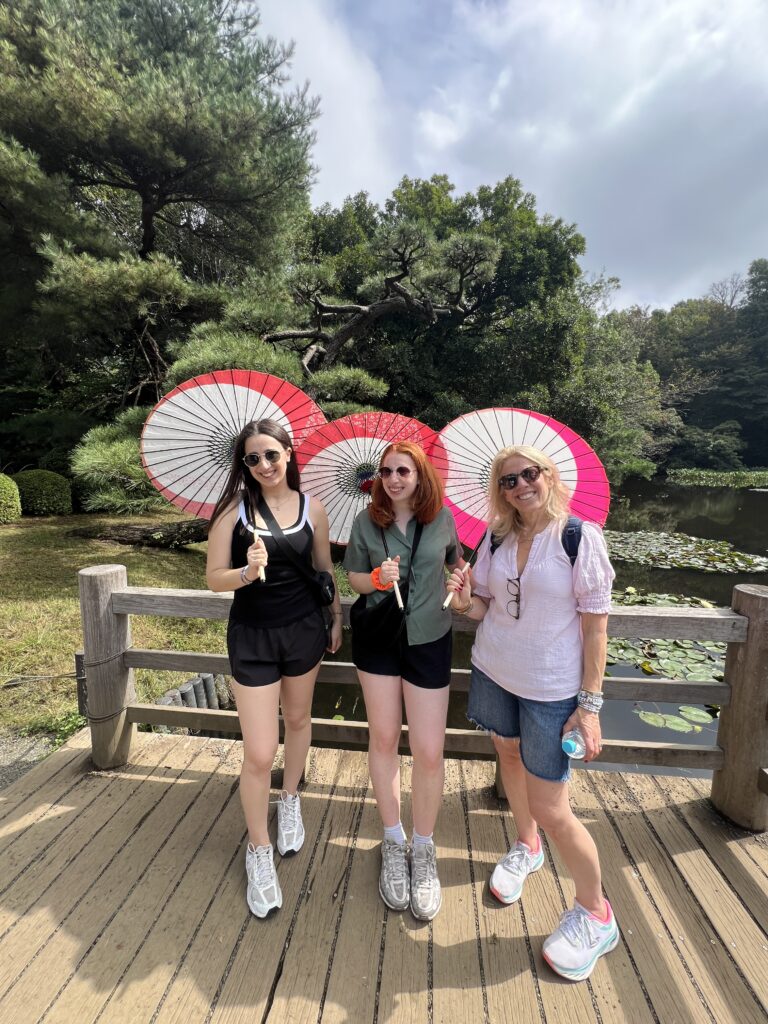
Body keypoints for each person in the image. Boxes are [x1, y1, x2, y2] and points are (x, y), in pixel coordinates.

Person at [446, 444, 618, 981]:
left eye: (528, 474)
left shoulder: (578, 538)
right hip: (496, 671)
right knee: (507, 756)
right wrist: (460, 599)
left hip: (551, 690)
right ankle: (525, 846)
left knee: (554, 807)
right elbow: (483, 609)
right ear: (500, 493)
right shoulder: (495, 538)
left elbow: (595, 628)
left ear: (548, 476)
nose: (520, 486)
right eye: (507, 481)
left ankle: (596, 913)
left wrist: (588, 707)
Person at [206, 418, 342, 919]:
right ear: (243, 465)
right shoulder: (233, 515)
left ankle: (290, 799)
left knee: (301, 721)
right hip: (254, 636)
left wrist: (334, 617)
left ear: (288, 453)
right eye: (252, 458)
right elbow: (214, 579)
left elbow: (324, 569)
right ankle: (258, 849)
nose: (263, 465)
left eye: (271, 454)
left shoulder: (314, 509)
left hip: (304, 629)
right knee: (260, 751)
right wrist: (247, 571)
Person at [344, 441, 461, 921]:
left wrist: (461, 580)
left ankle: (424, 846)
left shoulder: (443, 520)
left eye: (403, 471)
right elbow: (351, 577)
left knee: (430, 749)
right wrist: (375, 577)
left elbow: (455, 562)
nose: (393, 479)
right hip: (378, 639)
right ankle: (393, 840)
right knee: (386, 737)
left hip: (430, 637)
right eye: (386, 472)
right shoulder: (366, 522)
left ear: (420, 476)